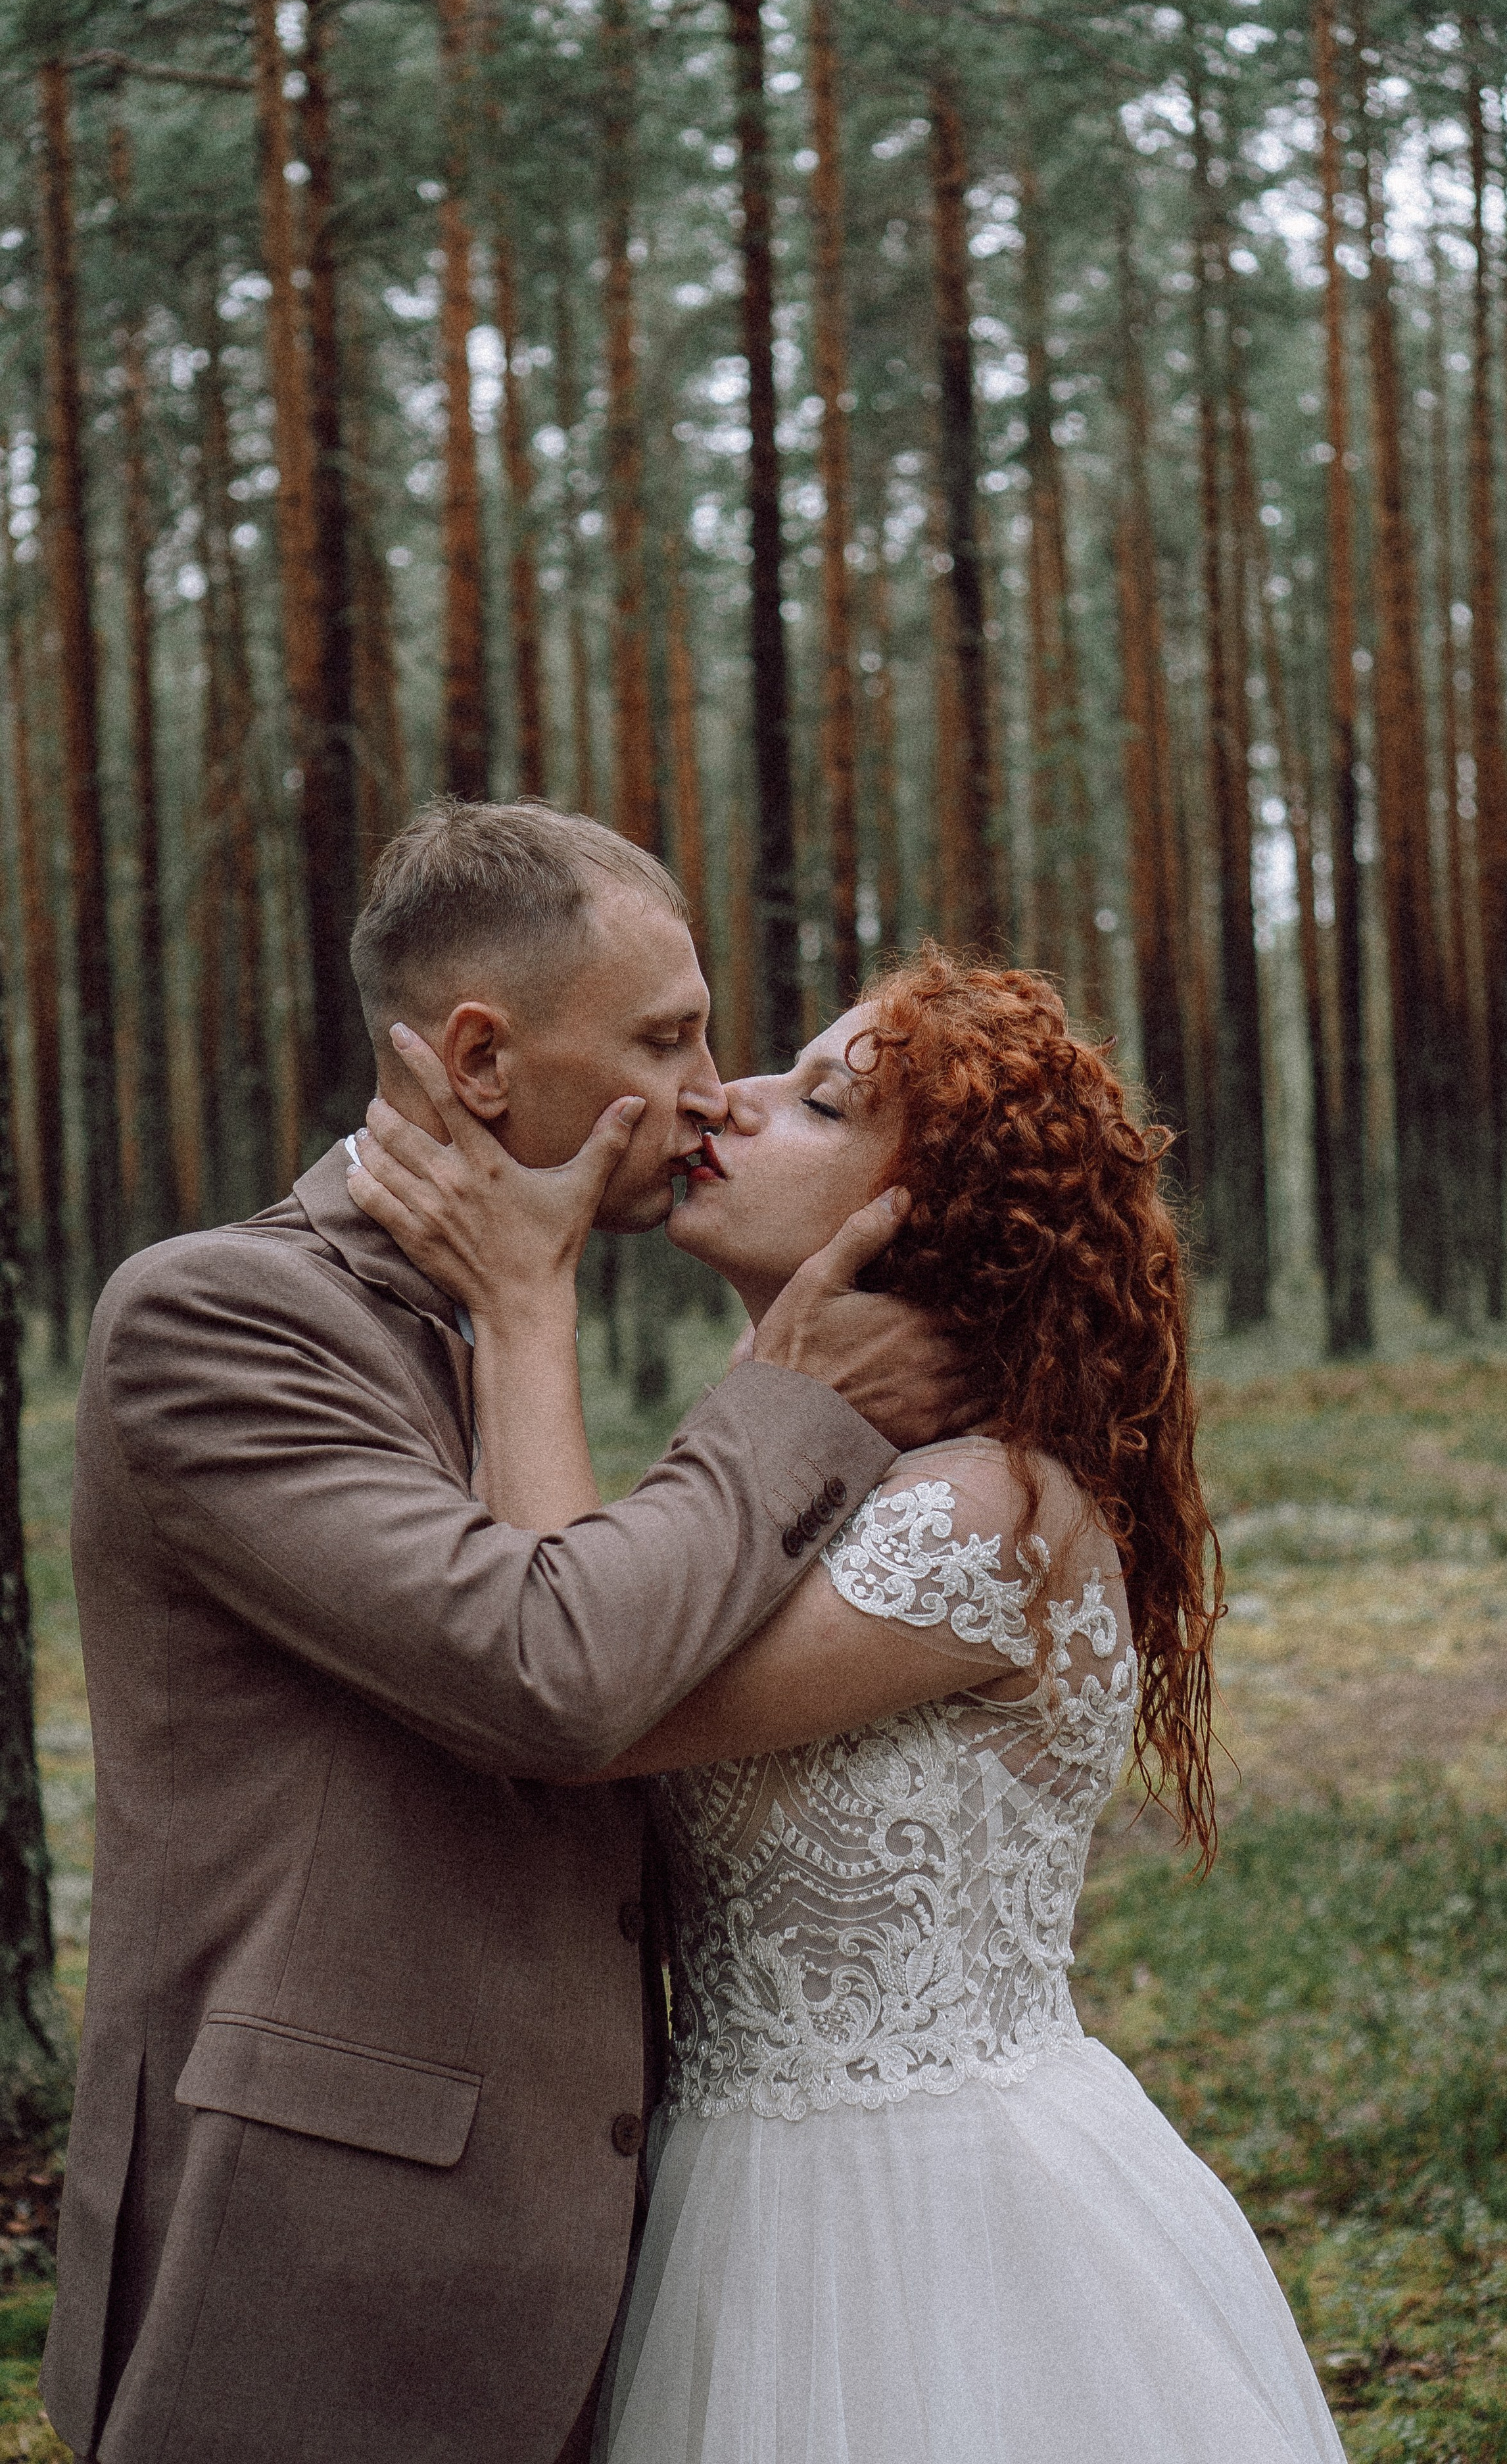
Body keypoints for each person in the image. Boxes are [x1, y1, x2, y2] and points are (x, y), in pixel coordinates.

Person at [43, 803, 964, 2464]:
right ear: (480, 1059)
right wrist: (787, 1400)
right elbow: (556, 1674)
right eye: (665, 1037)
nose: (707, 1090)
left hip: (595, 2258)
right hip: (316, 2266)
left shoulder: (502, 1326)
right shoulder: (212, 1322)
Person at [347, 949, 1349, 2464]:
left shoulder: (982, 1509)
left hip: (935, 2220)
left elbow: (571, 1688)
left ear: (922, 1223)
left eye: (817, 1103)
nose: (722, 1104)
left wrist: (524, 1297)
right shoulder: (825, 1475)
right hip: (728, 2193)